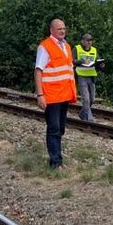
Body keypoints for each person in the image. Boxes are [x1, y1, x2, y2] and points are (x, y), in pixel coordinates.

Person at [34, 18, 77, 168]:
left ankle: (58, 158)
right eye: (59, 29)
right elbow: (38, 71)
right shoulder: (45, 47)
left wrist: (72, 92)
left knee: (61, 128)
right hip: (51, 96)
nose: (62, 31)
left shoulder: (66, 46)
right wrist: (40, 95)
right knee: (54, 129)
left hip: (64, 94)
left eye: (64, 28)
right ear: (51, 30)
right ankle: (55, 162)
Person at [73, 33, 99, 122]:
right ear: (82, 41)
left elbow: (97, 60)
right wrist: (80, 62)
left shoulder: (94, 50)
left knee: (92, 99)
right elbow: (72, 60)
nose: (89, 42)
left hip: (91, 77)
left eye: (90, 40)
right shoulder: (77, 49)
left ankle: (82, 114)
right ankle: (89, 118)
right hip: (81, 76)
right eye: (87, 40)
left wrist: (101, 64)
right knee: (86, 99)